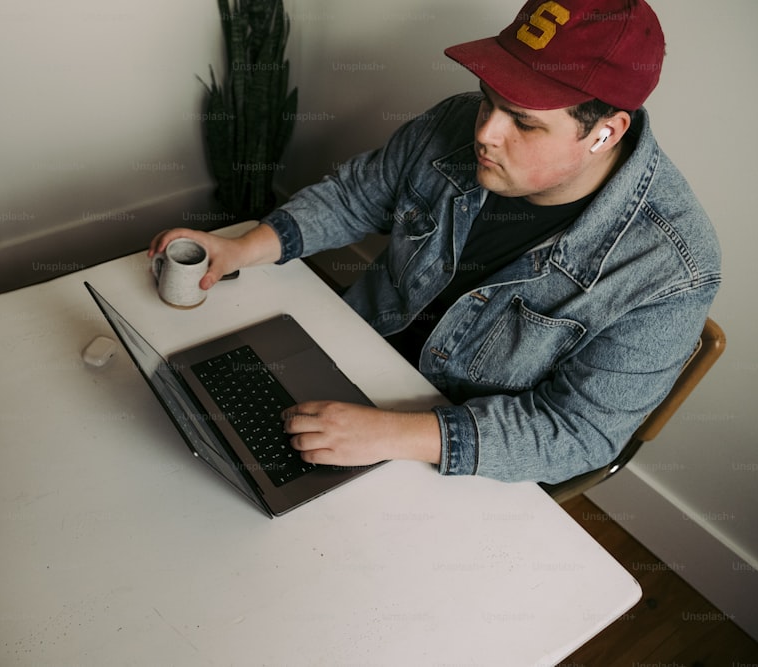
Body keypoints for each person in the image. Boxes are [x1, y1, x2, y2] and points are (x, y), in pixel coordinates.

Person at [148, 0, 721, 484]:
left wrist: (391, 433)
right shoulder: (454, 124)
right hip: (348, 357)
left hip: (459, 449)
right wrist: (244, 248)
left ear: (605, 132)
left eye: (522, 122)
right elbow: (355, 197)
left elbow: (578, 432)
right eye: (487, 100)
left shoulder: (671, 268)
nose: (485, 132)